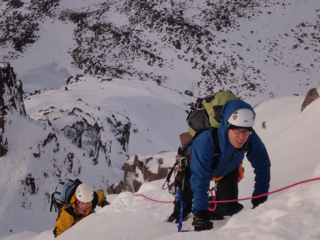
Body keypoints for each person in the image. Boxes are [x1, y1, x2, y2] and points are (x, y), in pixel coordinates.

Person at [168, 99, 271, 231]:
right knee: (182, 209)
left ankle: (211, 205)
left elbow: (262, 165)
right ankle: (180, 211)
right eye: (237, 131)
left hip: (227, 169)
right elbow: (200, 178)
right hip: (193, 169)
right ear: (228, 127)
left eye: (246, 132)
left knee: (228, 209)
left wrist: (260, 197)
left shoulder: (250, 137)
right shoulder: (206, 140)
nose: (242, 138)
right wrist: (200, 214)